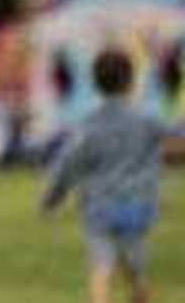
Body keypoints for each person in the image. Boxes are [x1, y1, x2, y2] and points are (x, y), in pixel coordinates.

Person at [43, 48, 166, 303]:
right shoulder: (147, 120)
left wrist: (52, 198)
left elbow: (67, 163)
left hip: (99, 206)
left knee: (101, 266)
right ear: (132, 80)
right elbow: (173, 140)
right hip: (138, 204)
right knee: (134, 265)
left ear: (95, 83)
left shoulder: (89, 125)